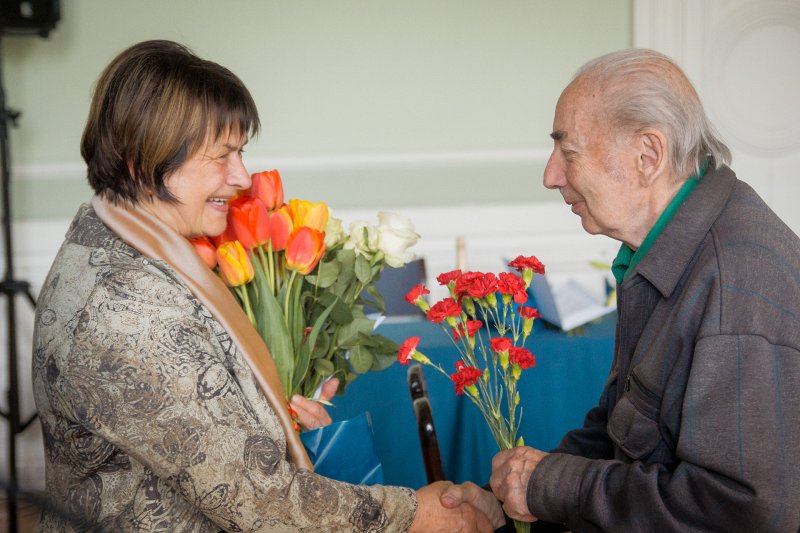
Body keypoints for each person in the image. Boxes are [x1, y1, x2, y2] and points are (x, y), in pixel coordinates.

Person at [31, 39, 501, 533]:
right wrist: (416, 514)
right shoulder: (127, 309)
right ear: (140, 161)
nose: (241, 176)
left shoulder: (120, 242)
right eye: (222, 156)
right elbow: (251, 498)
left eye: (241, 152)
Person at [472, 49, 800, 531]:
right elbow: (620, 431)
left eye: (568, 152)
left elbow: (741, 512)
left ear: (648, 156)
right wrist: (499, 504)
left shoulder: (735, 288)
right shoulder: (666, 250)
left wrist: (551, 486)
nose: (550, 176)